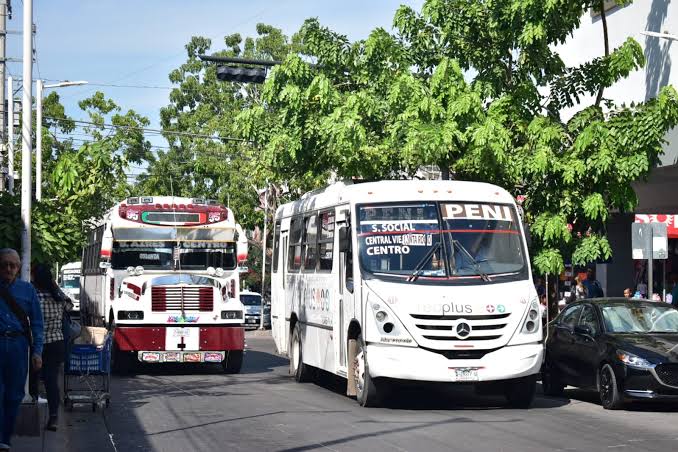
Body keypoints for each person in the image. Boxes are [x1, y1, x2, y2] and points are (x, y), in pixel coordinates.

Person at [0, 249, 44, 451]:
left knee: (14, 395)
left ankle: (5, 439)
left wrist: (37, 352)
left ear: (18, 267)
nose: (8, 268)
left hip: (18, 347)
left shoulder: (28, 290)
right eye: (4, 264)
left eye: (13, 265)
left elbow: (37, 324)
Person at [32, 263, 72, 432]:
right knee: (51, 380)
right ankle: (54, 417)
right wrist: (55, 287)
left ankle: (32, 413)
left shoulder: (34, 296)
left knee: (32, 378)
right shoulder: (57, 296)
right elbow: (69, 306)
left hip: (37, 344)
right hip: (57, 342)